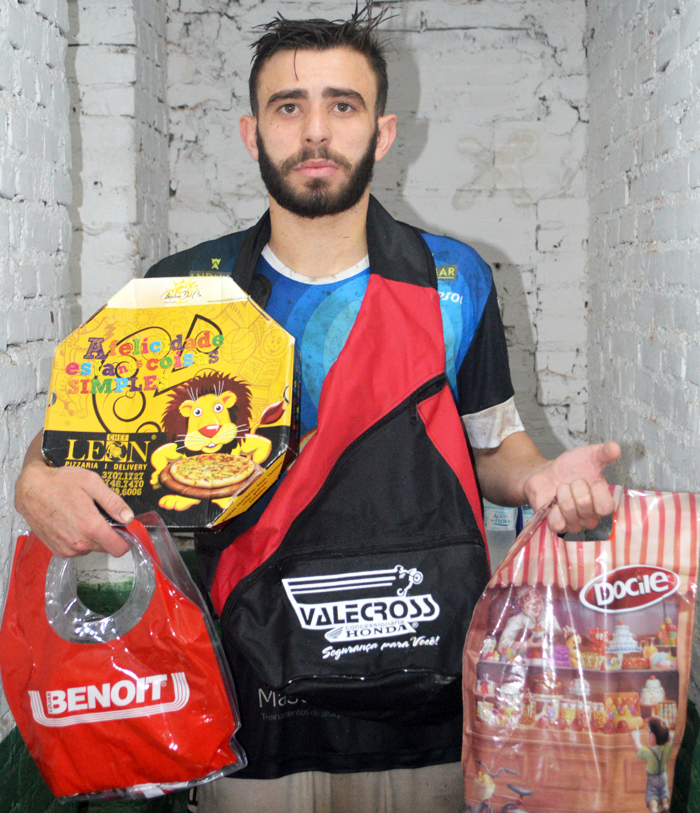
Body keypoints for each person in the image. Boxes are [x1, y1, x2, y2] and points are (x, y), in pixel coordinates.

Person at [14, 6, 621, 812]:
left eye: (343, 104)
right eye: (288, 106)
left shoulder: (454, 278)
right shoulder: (184, 289)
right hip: (253, 705)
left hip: (428, 702)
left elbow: (492, 444)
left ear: (383, 131)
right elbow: (83, 444)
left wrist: (542, 476)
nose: (315, 131)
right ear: (250, 131)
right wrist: (34, 478)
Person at [631, 719, 674, 813]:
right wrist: (665, 729)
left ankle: (654, 810)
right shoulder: (667, 749)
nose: (647, 733)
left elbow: (638, 748)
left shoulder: (648, 753)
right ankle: (666, 806)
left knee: (652, 796)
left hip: (652, 779)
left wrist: (636, 738)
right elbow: (671, 738)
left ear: (653, 737)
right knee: (664, 792)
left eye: (648, 731)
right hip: (663, 776)